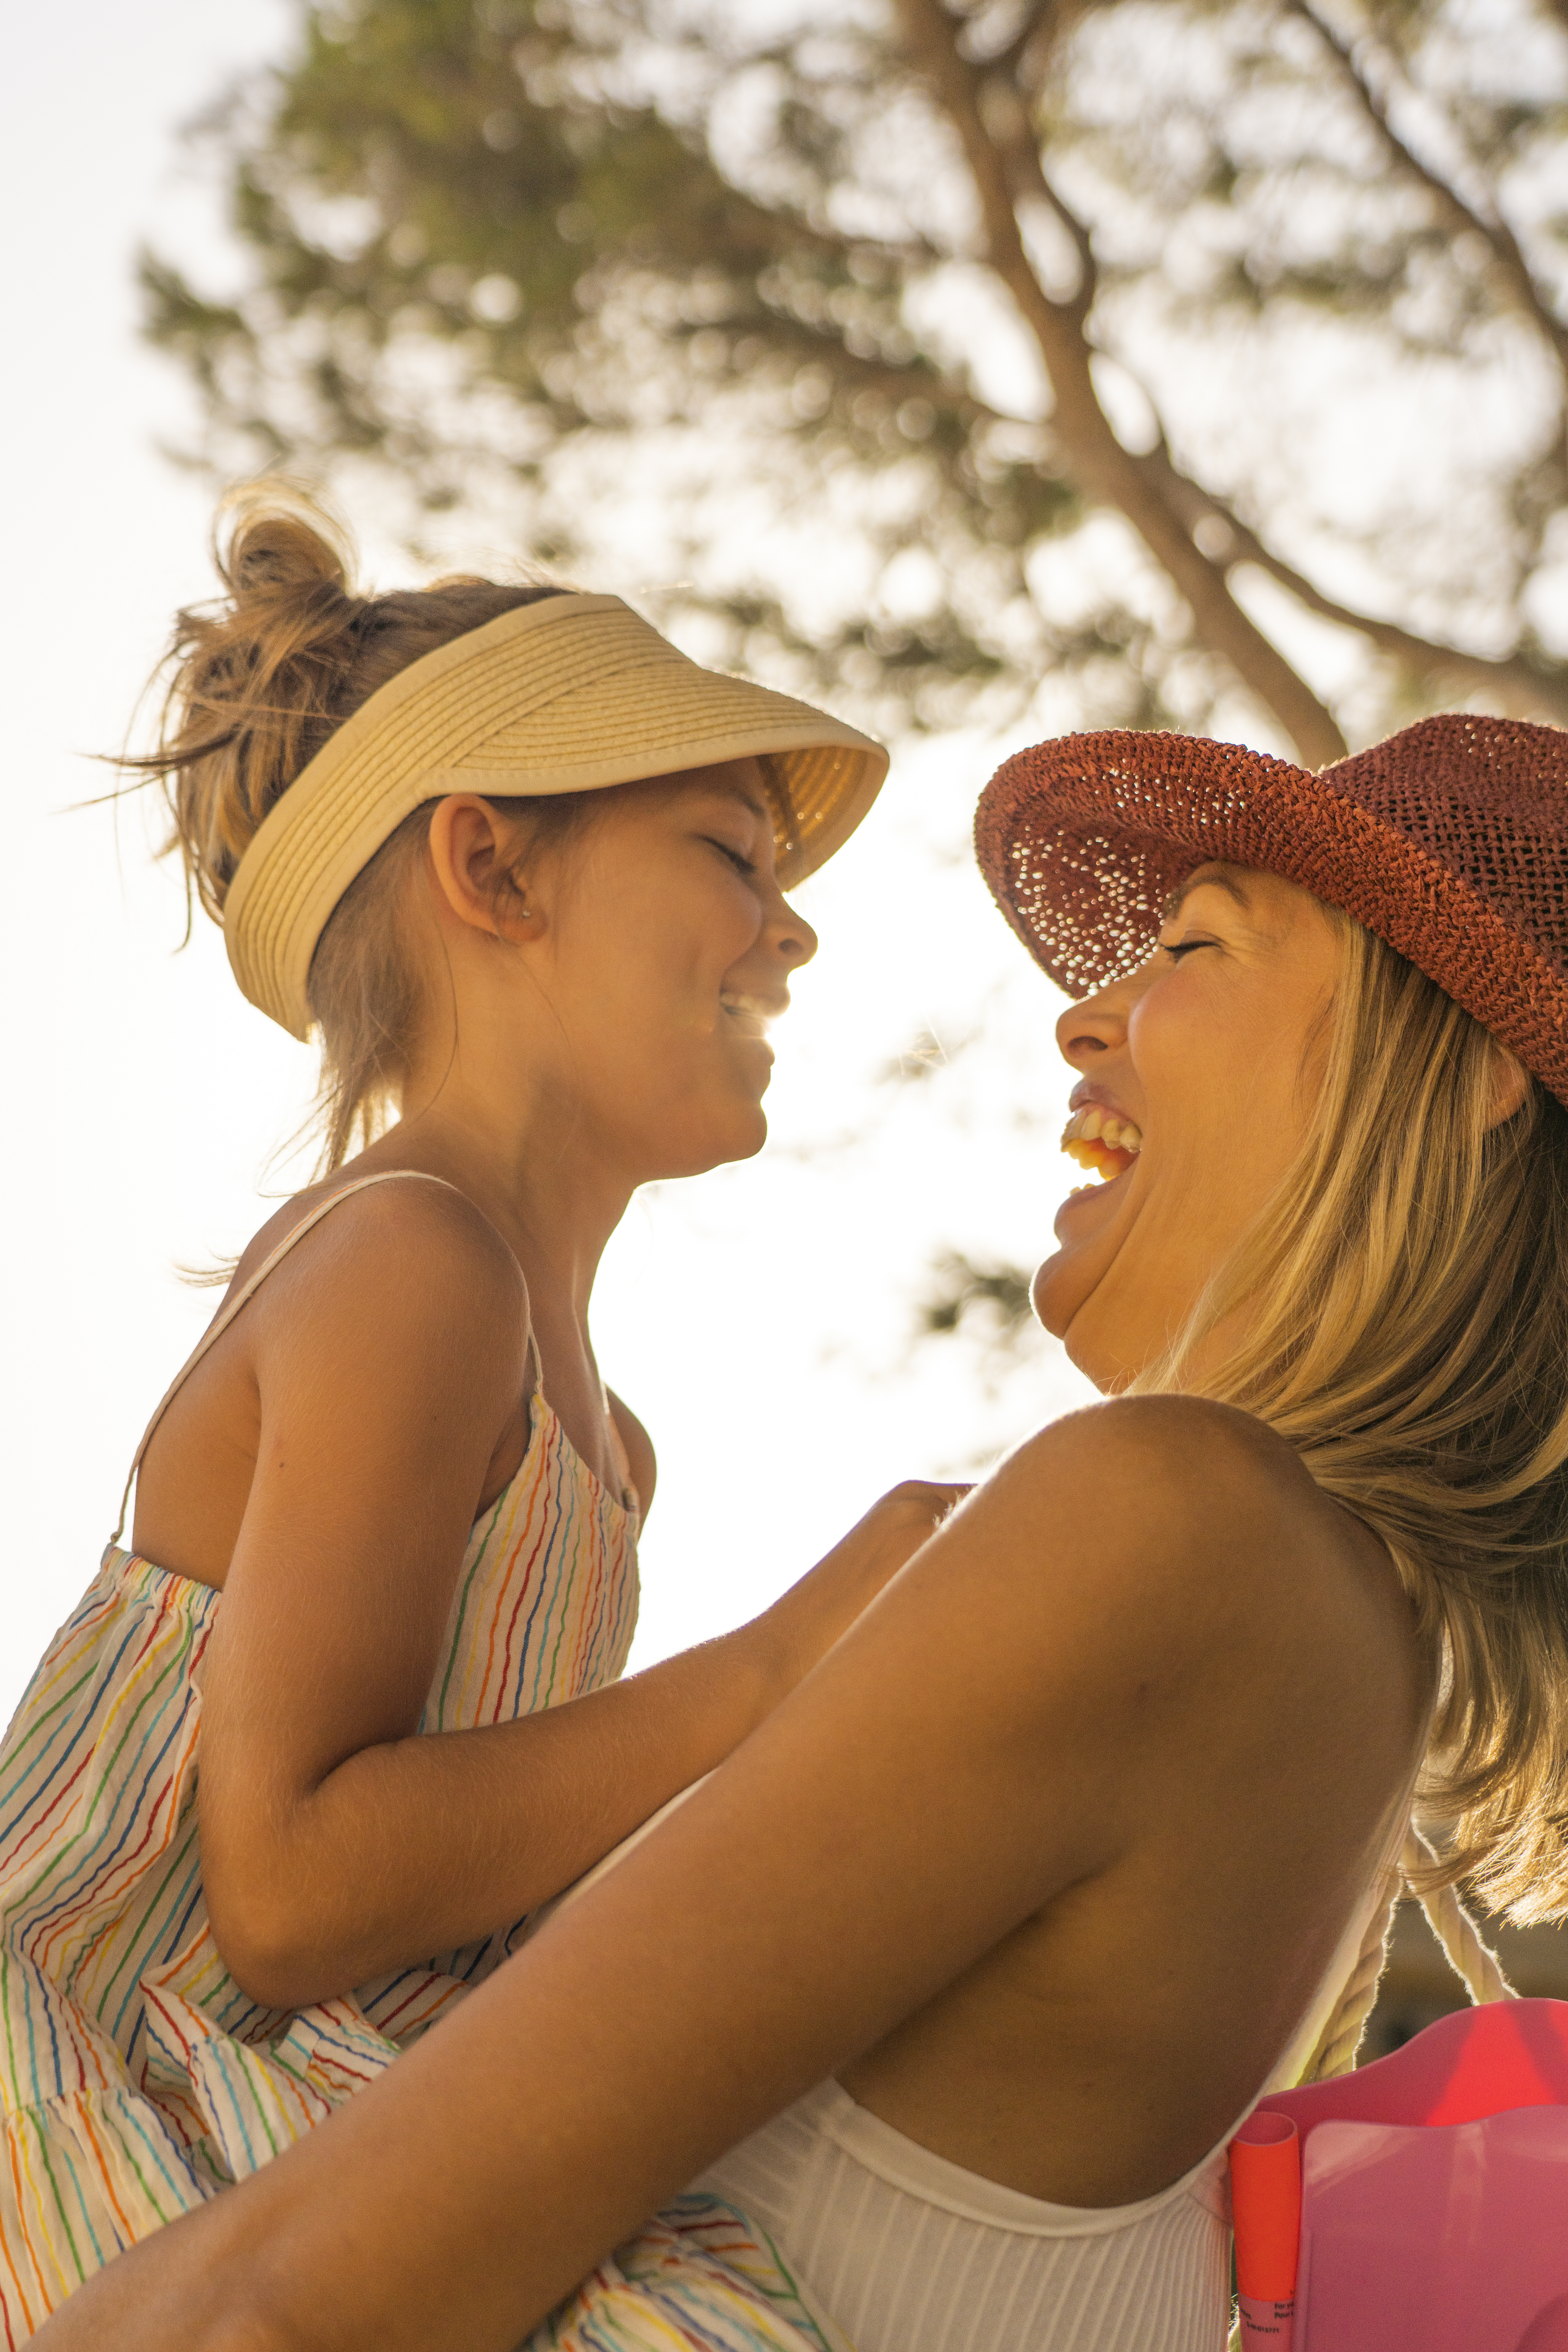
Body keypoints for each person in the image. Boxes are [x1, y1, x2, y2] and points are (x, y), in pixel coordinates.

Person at [28, 712, 1568, 2352]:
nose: (1082, 1015)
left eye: (1190, 944)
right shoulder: (1335, 1656)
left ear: (1463, 1066)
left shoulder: (1173, 1521)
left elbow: (279, 2306)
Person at [0, 486, 969, 2339]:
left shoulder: (606, 1439)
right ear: (494, 874)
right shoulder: (411, 1270)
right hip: (122, 2117)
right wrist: (780, 1670)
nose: (794, 936)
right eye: (731, 856)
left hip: (307, 2086)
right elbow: (284, 1893)